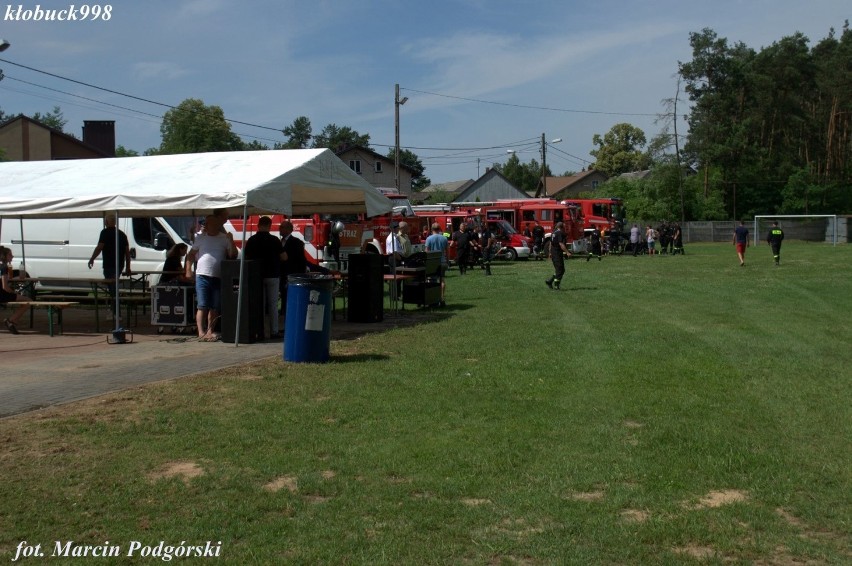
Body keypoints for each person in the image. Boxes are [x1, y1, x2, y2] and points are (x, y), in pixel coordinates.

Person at [185, 214, 238, 341]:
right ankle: (201, 331)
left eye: (211, 224)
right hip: (202, 275)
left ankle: (210, 330)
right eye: (207, 224)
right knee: (202, 305)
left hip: (218, 276)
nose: (207, 226)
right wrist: (188, 270)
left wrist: (231, 241)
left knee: (215, 306)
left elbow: (233, 255)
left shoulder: (224, 238)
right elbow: (191, 254)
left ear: (217, 226)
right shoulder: (201, 238)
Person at [244, 216, 286, 339]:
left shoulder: (252, 240)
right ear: (270, 225)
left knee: (258, 304)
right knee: (273, 305)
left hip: (256, 275)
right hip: (273, 274)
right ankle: (274, 331)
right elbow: (284, 257)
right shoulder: (274, 240)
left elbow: (246, 257)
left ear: (258, 225)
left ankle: (259, 331)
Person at [87, 214, 131, 316]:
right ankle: (114, 310)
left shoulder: (104, 233)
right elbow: (127, 253)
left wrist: (92, 258)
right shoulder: (122, 234)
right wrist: (128, 267)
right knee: (113, 288)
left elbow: (99, 247)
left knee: (112, 290)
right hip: (119, 265)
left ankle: (116, 312)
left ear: (106, 222)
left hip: (109, 265)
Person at [279, 220, 307, 320]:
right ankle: (283, 312)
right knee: (283, 295)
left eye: (282, 227)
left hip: (291, 274)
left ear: (289, 229)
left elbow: (300, 261)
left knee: (290, 297)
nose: (280, 229)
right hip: (281, 274)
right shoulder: (279, 242)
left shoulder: (296, 243)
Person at [0, 246, 29, 335]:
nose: (12, 256)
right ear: (4, 256)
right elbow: (5, 287)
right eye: (10, 254)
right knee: (28, 301)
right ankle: (11, 320)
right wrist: (14, 292)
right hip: (2, 294)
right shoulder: (4, 267)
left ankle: (12, 321)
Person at [424, 223, 448, 306]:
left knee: (431, 280)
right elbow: (446, 251)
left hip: (433, 262)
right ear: (439, 229)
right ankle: (441, 298)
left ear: (431, 229)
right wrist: (447, 260)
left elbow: (426, 251)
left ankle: (432, 299)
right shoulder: (444, 238)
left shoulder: (429, 239)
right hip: (442, 261)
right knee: (442, 280)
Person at [545, 221, 570, 290]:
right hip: (557, 254)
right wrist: (567, 252)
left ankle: (550, 281)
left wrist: (550, 253)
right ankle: (556, 286)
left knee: (559, 269)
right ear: (562, 227)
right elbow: (561, 244)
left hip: (554, 253)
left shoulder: (553, 233)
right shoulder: (559, 233)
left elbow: (550, 243)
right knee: (560, 270)